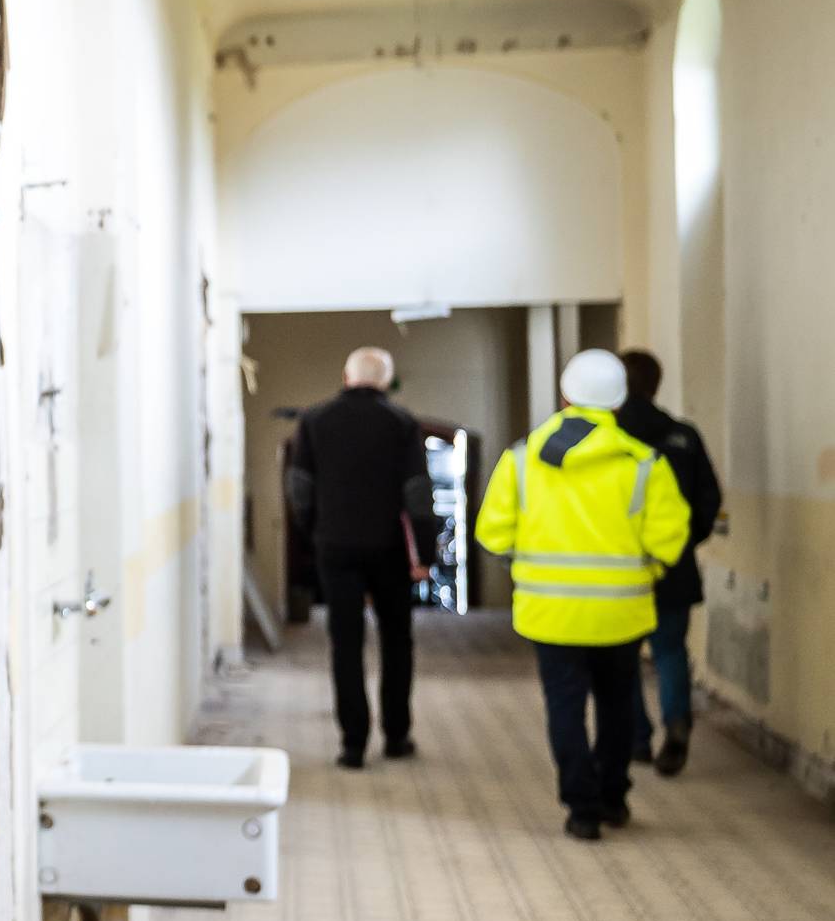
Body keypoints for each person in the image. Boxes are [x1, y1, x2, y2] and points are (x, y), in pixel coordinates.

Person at [474, 350, 691, 841]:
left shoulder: (522, 458)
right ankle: (613, 797)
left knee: (565, 707)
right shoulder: (643, 464)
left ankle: (581, 809)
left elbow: (492, 535)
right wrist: (646, 569)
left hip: (549, 612)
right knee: (617, 704)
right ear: (618, 403)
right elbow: (669, 539)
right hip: (621, 612)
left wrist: (527, 560)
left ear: (565, 395)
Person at [288, 347, 440, 770]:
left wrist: (315, 530)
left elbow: (299, 486)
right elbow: (416, 491)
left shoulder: (314, 420)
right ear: (387, 383)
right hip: (389, 548)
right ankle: (396, 736)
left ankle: (352, 744)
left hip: (335, 546)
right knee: (396, 641)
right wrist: (424, 553)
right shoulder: (402, 423)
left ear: (345, 375)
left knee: (346, 643)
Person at [615, 350, 724, 776]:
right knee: (670, 652)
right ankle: (676, 724)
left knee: (622, 656)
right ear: (657, 384)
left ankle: (637, 738)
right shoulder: (684, 436)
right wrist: (680, 542)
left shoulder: (611, 440)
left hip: (620, 568)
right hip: (674, 565)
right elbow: (708, 500)